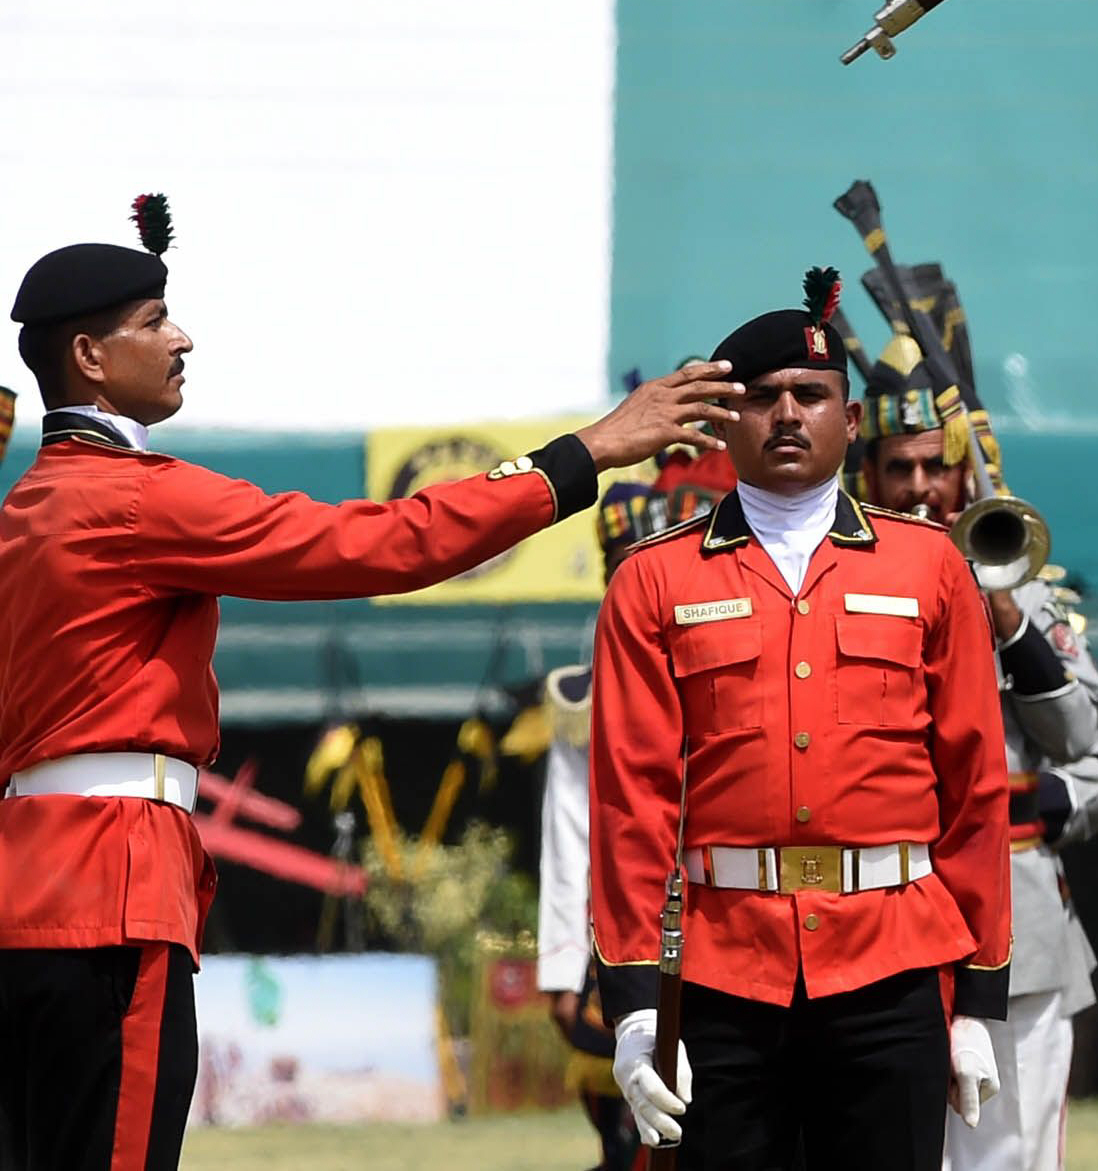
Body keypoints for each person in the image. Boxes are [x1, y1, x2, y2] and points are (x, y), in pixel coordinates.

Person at [0, 195, 736, 1171]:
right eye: (153, 321)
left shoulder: (29, 509)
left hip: (28, 892)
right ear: (89, 356)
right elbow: (382, 543)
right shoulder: (137, 497)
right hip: (115, 890)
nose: (182, 338)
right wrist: (584, 451)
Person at [587, 272, 1016, 1170]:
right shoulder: (653, 580)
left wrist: (980, 999)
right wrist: (630, 1002)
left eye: (811, 395)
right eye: (763, 397)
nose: (787, 414)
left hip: (892, 958)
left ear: (850, 421)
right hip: (720, 967)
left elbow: (975, 787)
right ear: (723, 420)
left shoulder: (930, 567)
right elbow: (631, 801)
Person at [851, 345, 1098, 1171]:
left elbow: (1084, 742)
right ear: (869, 473)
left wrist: (1003, 605)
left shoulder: (1030, 586)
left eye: (938, 466)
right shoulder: (840, 578)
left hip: (1017, 918)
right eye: (899, 467)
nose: (921, 488)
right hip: (878, 913)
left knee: (1012, 1158)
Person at [538, 442, 736, 1171]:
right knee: (629, 1132)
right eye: (619, 560)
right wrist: (562, 965)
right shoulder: (580, 689)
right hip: (625, 925)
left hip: (731, 917)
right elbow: (571, 830)